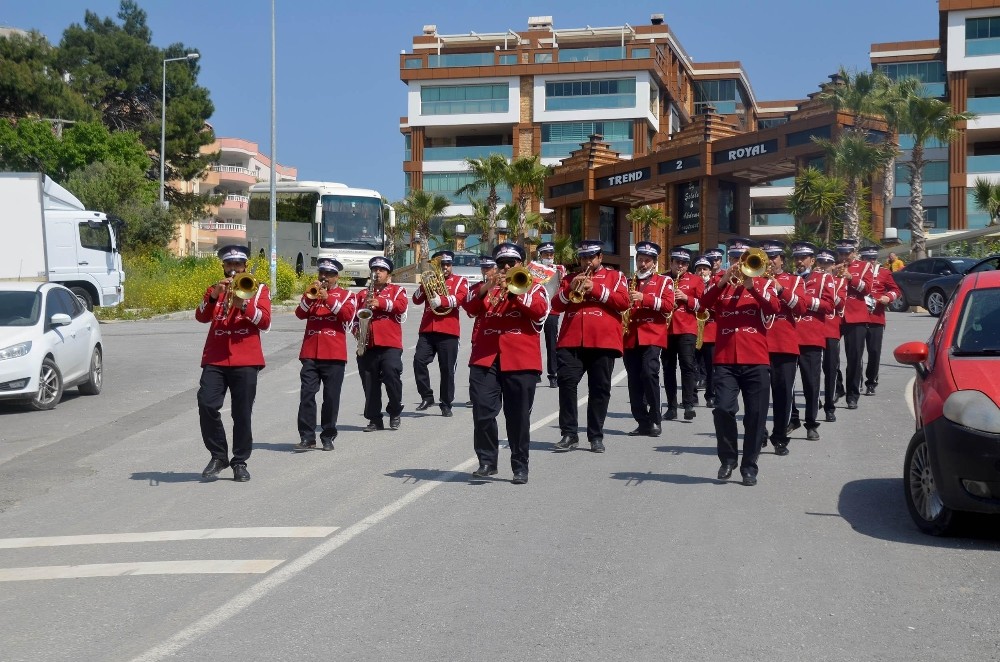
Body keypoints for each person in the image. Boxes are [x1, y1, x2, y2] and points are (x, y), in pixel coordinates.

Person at [462, 243, 549, 484]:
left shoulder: (534, 288)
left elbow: (540, 311)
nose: (507, 268)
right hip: (485, 358)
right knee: (482, 411)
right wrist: (489, 286)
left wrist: (515, 290)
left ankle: (520, 466)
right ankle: (487, 461)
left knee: (518, 417)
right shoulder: (486, 288)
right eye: (501, 264)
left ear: (522, 265)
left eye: (512, 263)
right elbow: (467, 305)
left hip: (520, 361)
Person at [698, 237, 783, 486]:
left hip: (756, 359)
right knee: (722, 409)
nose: (737, 263)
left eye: (741, 259)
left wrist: (751, 286)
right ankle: (727, 459)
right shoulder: (718, 285)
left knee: (755, 416)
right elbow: (701, 306)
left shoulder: (764, 284)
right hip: (725, 360)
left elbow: (774, 308)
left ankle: (749, 466)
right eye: (733, 259)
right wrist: (722, 282)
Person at [195, 245, 271, 482]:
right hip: (216, 358)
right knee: (207, 404)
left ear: (245, 267)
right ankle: (218, 456)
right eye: (229, 265)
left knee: (242, 414)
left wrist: (244, 306)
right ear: (223, 267)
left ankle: (240, 461)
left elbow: (265, 322)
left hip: (245, 359)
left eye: (238, 265)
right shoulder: (214, 289)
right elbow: (200, 316)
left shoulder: (258, 290)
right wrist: (214, 296)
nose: (233, 270)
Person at [551, 239, 630, 453]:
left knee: (599, 389)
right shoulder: (569, 278)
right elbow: (555, 305)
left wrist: (594, 288)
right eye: (583, 257)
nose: (586, 262)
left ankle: (596, 435)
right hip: (571, 340)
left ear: (600, 258)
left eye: (590, 257)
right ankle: (569, 433)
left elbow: (624, 302)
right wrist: (570, 291)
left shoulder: (615, 276)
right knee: (567, 384)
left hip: (603, 341)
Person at [294, 255, 357, 451]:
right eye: (322, 273)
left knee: (331, 398)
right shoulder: (311, 296)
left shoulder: (347, 296)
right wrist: (308, 296)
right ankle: (307, 437)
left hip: (334, 355)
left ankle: (328, 435)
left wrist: (328, 298)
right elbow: (299, 314)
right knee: (307, 395)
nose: (324, 277)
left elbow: (347, 316)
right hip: (311, 352)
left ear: (336, 277)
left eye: (329, 274)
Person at [760, 239, 809, 456]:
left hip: (784, 344)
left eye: (773, 257)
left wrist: (780, 289)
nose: (770, 262)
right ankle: (758, 433)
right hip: (758, 344)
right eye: (766, 258)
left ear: (782, 260)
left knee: (783, 394)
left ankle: (780, 436)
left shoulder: (794, 281)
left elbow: (801, 307)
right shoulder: (753, 280)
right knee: (757, 395)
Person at [622, 241, 674, 437]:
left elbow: (669, 306)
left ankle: (655, 419)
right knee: (634, 379)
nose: (642, 264)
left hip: (652, 333)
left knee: (649, 373)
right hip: (630, 335)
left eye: (646, 261)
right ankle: (641, 421)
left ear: (654, 262)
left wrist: (645, 299)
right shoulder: (628, 281)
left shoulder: (664, 281)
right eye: (639, 260)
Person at [786, 242, 835, 442]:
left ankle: (811, 423)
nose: (799, 261)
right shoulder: (788, 279)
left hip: (811, 338)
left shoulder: (823, 279)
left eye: (803, 258)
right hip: (788, 337)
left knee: (811, 384)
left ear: (812, 260)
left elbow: (830, 305)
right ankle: (793, 418)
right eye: (796, 257)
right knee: (786, 384)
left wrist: (806, 302)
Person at [354, 256, 408, 431]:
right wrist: (357, 330)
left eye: (381, 270)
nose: (377, 273)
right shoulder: (362, 294)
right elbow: (354, 317)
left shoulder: (397, 291)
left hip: (390, 343)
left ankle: (394, 411)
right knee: (369, 383)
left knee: (392, 374)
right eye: (375, 270)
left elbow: (401, 307)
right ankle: (375, 419)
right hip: (368, 344)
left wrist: (381, 302)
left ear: (388, 274)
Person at [412, 250, 469, 417]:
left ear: (452, 265)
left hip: (448, 330)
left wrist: (442, 301)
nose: (444, 267)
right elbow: (416, 299)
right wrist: (424, 284)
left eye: (447, 264)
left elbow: (461, 298)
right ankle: (427, 396)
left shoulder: (460, 281)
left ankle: (446, 403)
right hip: (428, 329)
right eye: (441, 264)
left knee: (447, 369)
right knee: (418, 362)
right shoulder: (431, 279)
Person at [662, 246, 704, 421]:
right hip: (665, 329)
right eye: (677, 262)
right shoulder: (662, 279)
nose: (680, 266)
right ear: (671, 263)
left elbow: (704, 306)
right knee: (668, 369)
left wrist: (687, 299)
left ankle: (688, 404)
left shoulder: (695, 280)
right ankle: (671, 407)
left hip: (686, 328)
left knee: (687, 366)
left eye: (684, 263)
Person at [835, 239, 875, 410]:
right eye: (841, 253)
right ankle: (838, 387)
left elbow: (868, 289)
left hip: (856, 317)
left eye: (847, 253)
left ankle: (852, 395)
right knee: (830, 357)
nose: (844, 257)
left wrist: (851, 277)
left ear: (853, 252)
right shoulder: (832, 266)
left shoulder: (864, 266)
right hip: (835, 316)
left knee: (854, 358)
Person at [860, 246, 902, 396]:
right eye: (867, 259)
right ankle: (856, 380)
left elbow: (896, 290)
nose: (871, 261)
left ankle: (871, 382)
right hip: (857, 317)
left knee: (874, 351)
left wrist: (888, 297)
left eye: (873, 258)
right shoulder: (855, 272)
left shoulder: (884, 272)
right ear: (862, 259)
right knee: (856, 352)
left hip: (876, 317)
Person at [528, 242, 566, 388]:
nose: (549, 257)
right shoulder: (533, 269)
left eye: (551, 254)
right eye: (546, 254)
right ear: (541, 255)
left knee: (552, 343)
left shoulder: (559, 269)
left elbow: (562, 286)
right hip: (536, 308)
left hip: (552, 310)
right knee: (534, 341)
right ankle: (536, 371)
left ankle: (553, 374)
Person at [816, 248, 846, 422]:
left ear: (834, 265)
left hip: (830, 329)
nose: (823, 266)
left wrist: (828, 285)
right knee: (811, 371)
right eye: (821, 263)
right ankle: (814, 403)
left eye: (827, 263)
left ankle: (829, 406)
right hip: (812, 330)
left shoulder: (839, 283)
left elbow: (840, 305)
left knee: (830, 369)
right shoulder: (809, 280)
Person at [692, 256, 717, 407]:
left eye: (705, 269)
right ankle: (692, 396)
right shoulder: (691, 284)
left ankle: (711, 395)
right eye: (699, 269)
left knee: (711, 367)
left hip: (711, 331)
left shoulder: (716, 285)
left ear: (710, 271)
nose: (702, 272)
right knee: (691, 365)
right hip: (693, 330)